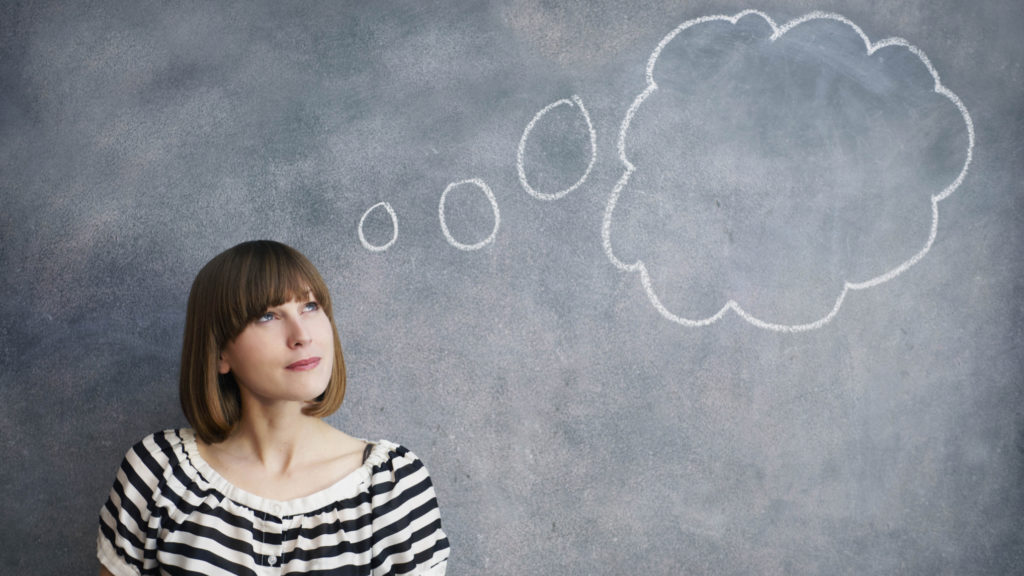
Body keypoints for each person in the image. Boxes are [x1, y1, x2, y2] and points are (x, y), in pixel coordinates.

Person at [97, 240, 449, 575]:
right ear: (220, 352)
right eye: (267, 316)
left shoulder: (393, 487)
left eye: (310, 307)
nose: (301, 335)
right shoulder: (158, 474)